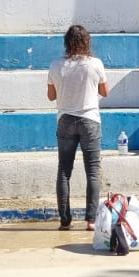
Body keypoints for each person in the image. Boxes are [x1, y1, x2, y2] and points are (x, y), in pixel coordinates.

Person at [47, 24, 110, 231]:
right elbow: (105, 91)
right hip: (89, 119)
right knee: (92, 171)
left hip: (65, 119)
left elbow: (51, 96)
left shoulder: (56, 65)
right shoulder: (96, 63)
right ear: (87, 42)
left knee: (64, 171)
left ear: (67, 42)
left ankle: (65, 220)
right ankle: (91, 220)